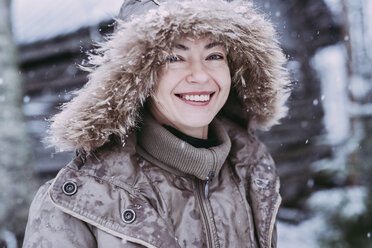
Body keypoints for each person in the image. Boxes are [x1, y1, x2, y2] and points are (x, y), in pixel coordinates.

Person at [23, 0, 290, 247]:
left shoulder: (253, 171)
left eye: (214, 56)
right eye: (174, 57)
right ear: (139, 75)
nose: (199, 75)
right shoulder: (76, 202)